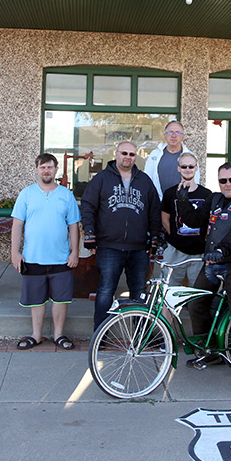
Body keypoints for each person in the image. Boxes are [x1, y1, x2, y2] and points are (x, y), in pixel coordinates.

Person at [176, 162, 231, 394]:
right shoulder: (214, 199)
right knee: (196, 302)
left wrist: (222, 250)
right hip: (213, 262)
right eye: (223, 180)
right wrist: (183, 201)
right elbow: (195, 221)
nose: (227, 184)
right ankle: (209, 353)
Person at [81, 141, 163, 330]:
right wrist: (90, 233)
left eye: (132, 154)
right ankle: (100, 334)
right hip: (109, 247)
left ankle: (140, 336)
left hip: (139, 248)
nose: (128, 157)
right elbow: (88, 206)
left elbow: (154, 211)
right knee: (105, 291)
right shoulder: (101, 178)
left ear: (136, 157)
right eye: (124, 153)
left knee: (139, 293)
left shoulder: (144, 181)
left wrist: (155, 237)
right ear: (116, 154)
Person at [10, 153, 81, 351]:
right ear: (36, 170)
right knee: (36, 299)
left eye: (50, 167)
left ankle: (58, 335)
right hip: (33, 257)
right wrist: (15, 253)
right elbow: (17, 224)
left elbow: (73, 226)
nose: (46, 171)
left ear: (56, 170)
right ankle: (36, 335)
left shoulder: (66, 195)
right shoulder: (27, 194)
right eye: (43, 167)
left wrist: (74, 252)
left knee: (61, 299)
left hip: (61, 257)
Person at [160, 151, 211, 287]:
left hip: (199, 251)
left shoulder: (206, 194)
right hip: (175, 250)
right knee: (169, 290)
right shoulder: (170, 193)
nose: (187, 169)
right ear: (178, 168)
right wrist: (175, 237)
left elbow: (209, 221)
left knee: (198, 292)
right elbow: (164, 218)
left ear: (196, 168)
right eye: (184, 166)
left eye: (191, 166)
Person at [144, 120, 199, 198]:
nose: (173, 135)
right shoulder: (154, 154)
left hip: (182, 201)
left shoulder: (191, 156)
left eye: (177, 132)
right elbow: (147, 178)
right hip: (158, 201)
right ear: (165, 135)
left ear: (183, 136)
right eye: (170, 132)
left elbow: (196, 180)